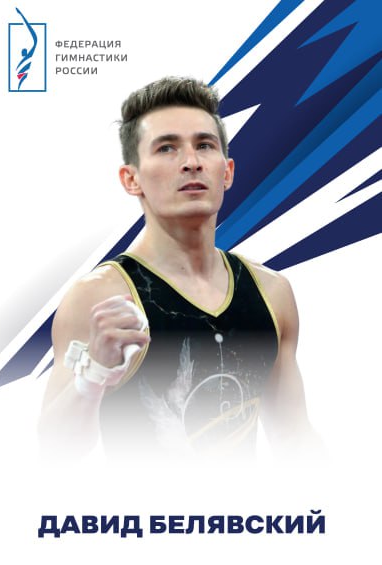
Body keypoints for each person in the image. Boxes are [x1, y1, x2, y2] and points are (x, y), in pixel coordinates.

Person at [39, 76, 319, 462]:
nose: (191, 162)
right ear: (131, 178)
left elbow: (294, 438)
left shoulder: (271, 292)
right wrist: (93, 376)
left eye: (204, 145)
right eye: (167, 148)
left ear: (227, 171)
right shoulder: (99, 296)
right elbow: (55, 451)